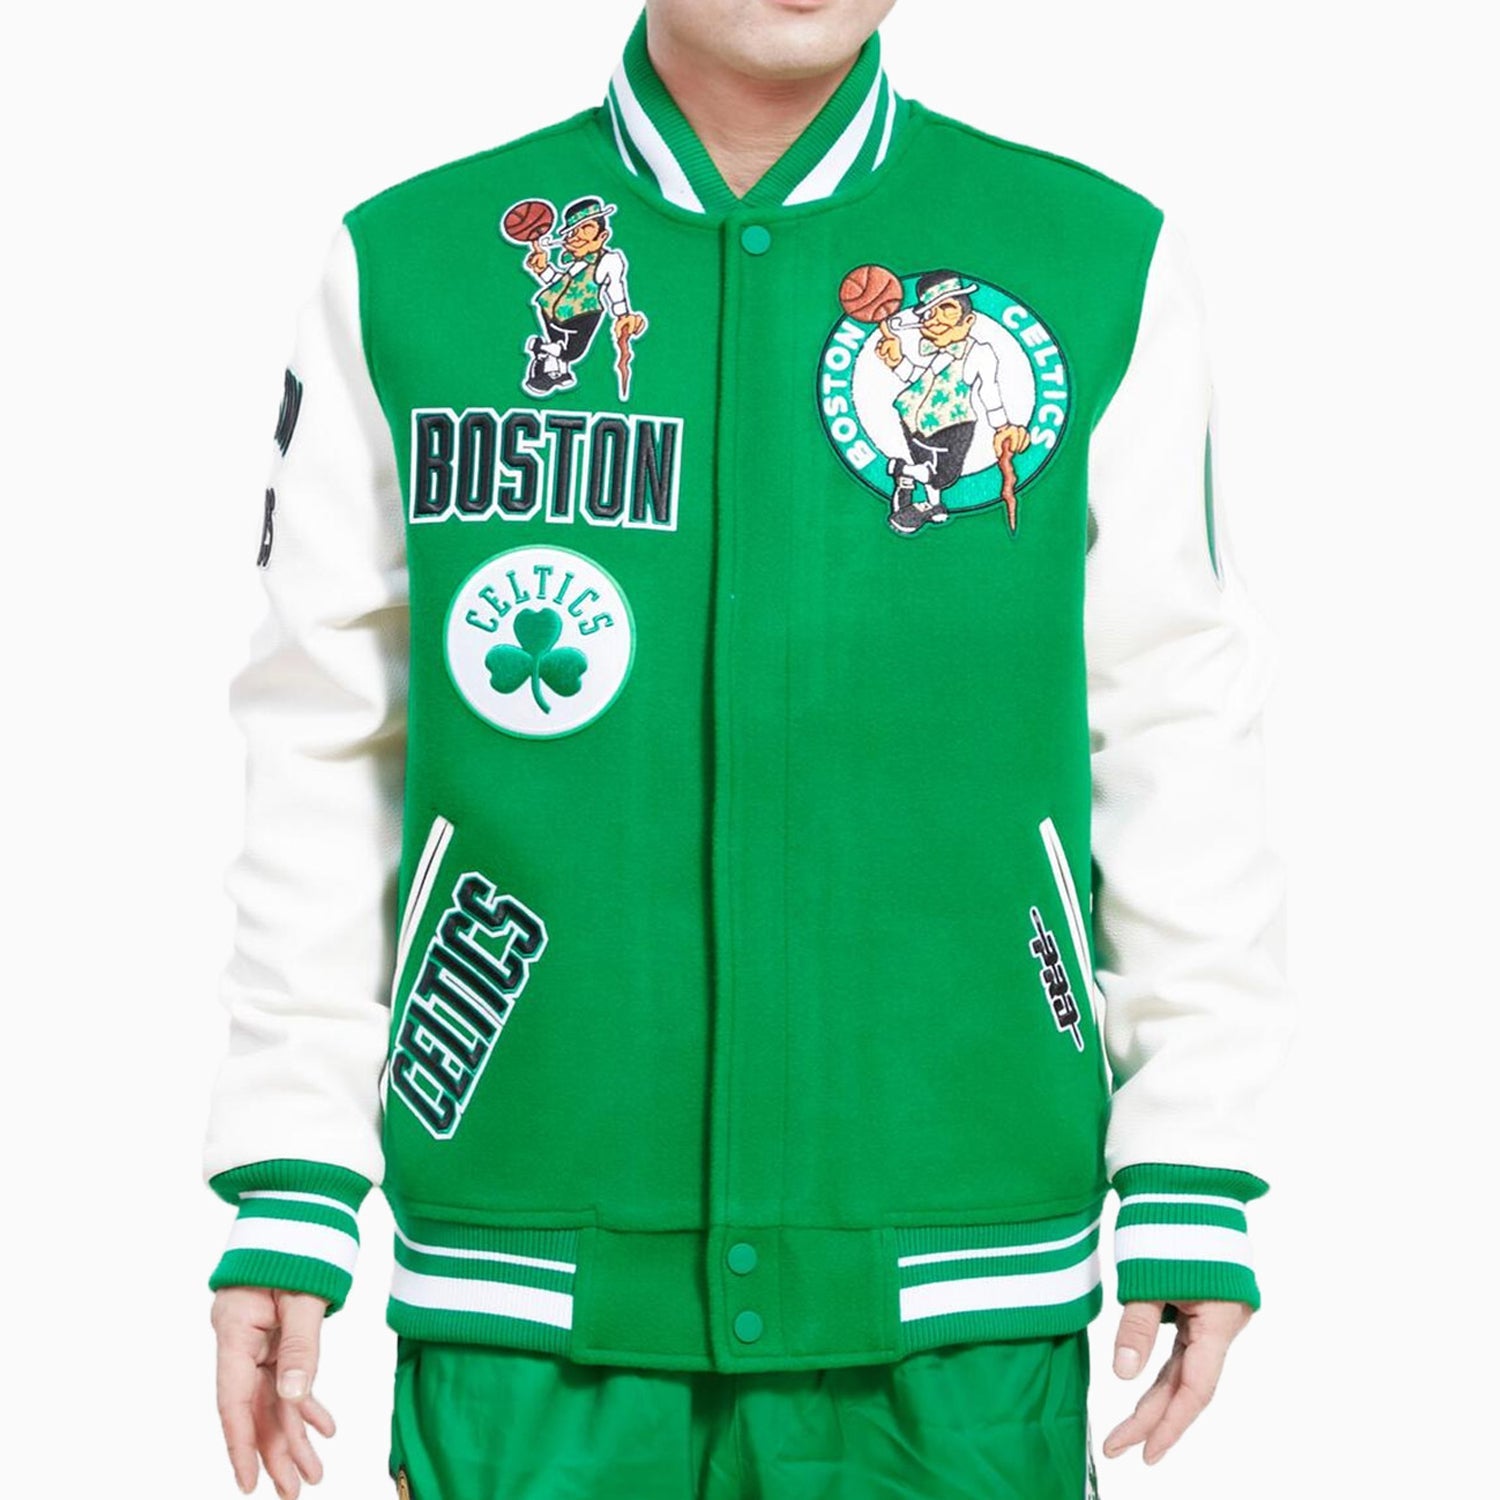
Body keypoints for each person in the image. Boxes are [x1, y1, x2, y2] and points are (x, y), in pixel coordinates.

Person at [203, 1, 1296, 1496]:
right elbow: (321, 745)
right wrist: (291, 1175)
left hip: (957, 1271)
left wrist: (1192, 1156)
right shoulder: (410, 268)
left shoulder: (1093, 261)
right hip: (529, 1278)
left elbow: (1177, 722)